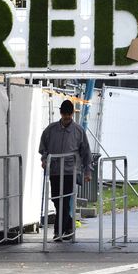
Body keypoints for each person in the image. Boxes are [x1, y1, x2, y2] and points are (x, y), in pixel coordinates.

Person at [39, 99, 92, 241]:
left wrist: (87, 171)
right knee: (57, 201)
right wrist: (44, 159)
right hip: (55, 170)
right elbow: (43, 147)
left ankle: (58, 231)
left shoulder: (78, 131)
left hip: (70, 171)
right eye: (65, 115)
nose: (67, 118)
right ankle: (69, 225)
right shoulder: (50, 130)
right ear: (61, 113)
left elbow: (86, 152)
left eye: (69, 115)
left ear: (72, 114)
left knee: (64, 200)